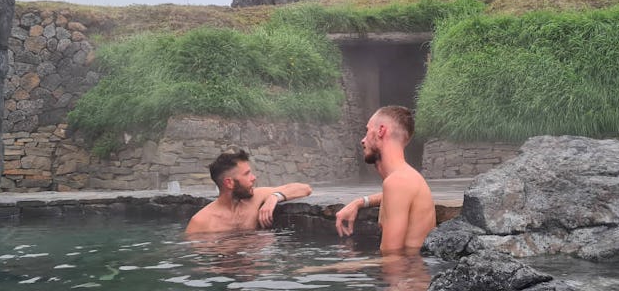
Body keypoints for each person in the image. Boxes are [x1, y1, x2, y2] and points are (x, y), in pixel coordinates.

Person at [334, 105, 436, 253]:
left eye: (367, 130)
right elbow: (395, 196)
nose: (363, 140)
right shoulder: (404, 180)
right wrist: (359, 202)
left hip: (408, 274)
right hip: (411, 271)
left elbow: (392, 259)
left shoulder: (397, 182)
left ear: (381, 131)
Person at [186, 147, 312, 234]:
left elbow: (305, 189)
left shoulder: (256, 197)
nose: (253, 178)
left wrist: (275, 197)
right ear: (229, 183)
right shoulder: (201, 222)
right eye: (247, 174)